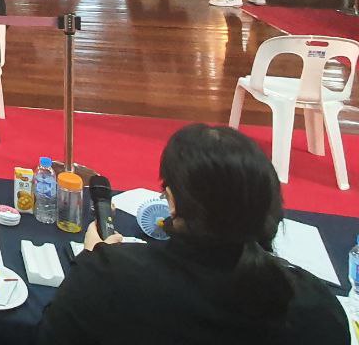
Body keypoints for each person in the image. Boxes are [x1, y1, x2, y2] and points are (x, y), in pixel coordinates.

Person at [36, 124, 348, 345]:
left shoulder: (109, 276)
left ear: (172, 200)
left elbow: (52, 335)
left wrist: (93, 259)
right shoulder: (314, 304)